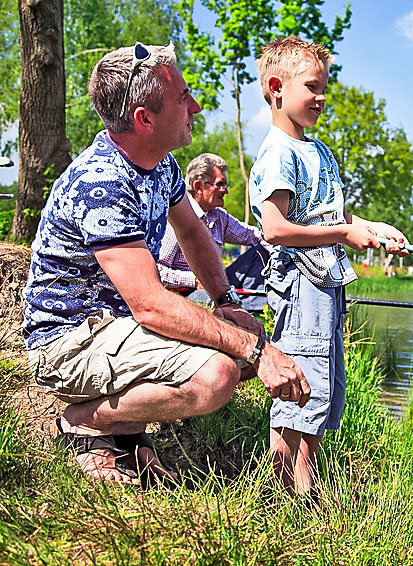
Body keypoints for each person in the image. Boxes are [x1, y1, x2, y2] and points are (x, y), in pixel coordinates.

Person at [22, 42, 309, 487]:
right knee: (219, 373)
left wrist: (227, 301)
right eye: (183, 98)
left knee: (244, 336)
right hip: (70, 339)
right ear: (144, 118)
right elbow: (151, 305)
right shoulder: (102, 182)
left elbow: (194, 233)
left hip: (119, 328)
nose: (195, 105)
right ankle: (86, 421)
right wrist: (257, 351)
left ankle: (127, 428)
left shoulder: (161, 165)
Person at [249, 36, 408, 495]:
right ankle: (279, 489)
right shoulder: (278, 151)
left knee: (325, 385)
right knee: (300, 381)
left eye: (324, 88)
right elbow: (276, 229)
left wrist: (371, 227)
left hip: (327, 283)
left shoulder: (318, 151)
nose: (322, 98)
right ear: (277, 88)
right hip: (299, 286)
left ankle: (304, 483)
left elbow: (331, 216)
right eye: (312, 87)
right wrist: (342, 235)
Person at [158, 153, 271, 311]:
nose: (226, 192)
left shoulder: (218, 216)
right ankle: (246, 307)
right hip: (184, 295)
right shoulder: (175, 218)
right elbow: (157, 272)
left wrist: (283, 245)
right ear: (199, 187)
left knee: (260, 252)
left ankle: (260, 304)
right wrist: (193, 280)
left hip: (213, 286)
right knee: (211, 299)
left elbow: (254, 236)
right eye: (220, 185)